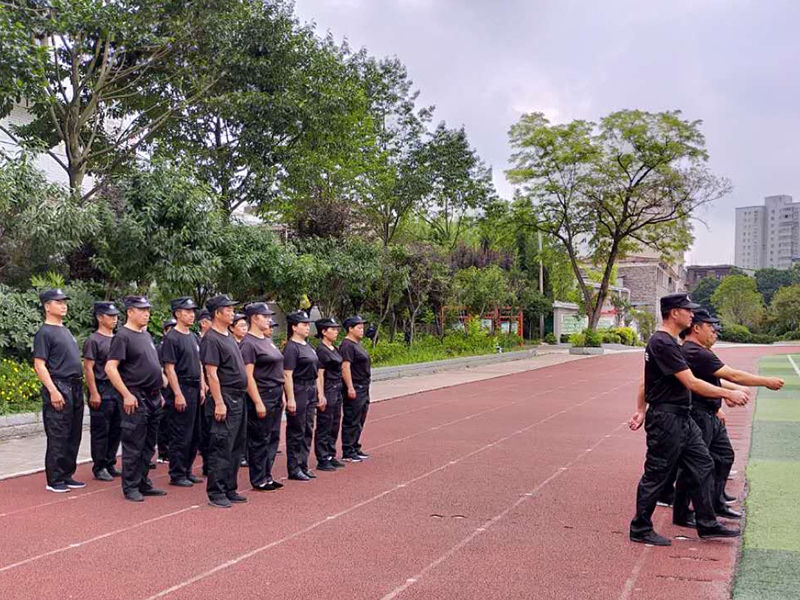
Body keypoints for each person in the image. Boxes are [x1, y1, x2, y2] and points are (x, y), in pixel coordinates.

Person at [628, 293, 748, 546]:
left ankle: (707, 523)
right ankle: (640, 527)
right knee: (657, 473)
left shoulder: (670, 342)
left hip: (682, 417)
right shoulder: (662, 343)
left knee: (704, 463)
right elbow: (692, 382)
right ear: (674, 313)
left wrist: (640, 409)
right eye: (687, 310)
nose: (692, 314)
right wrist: (728, 393)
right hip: (667, 418)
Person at [669, 309, 784, 523]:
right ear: (696, 328)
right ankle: (683, 512)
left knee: (723, 456)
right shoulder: (695, 352)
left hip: (710, 412)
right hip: (698, 414)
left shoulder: (699, 351)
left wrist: (725, 396)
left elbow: (716, 380)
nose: (715, 331)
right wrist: (765, 381)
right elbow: (732, 374)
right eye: (710, 327)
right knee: (693, 466)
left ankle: (715, 502)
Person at [105, 296, 168, 502]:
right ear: (130, 312)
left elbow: (152, 364)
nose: (147, 313)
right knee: (134, 444)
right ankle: (130, 486)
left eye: (148, 309)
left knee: (149, 444)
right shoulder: (123, 336)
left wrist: (159, 389)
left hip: (153, 397)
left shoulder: (146, 334)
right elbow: (110, 368)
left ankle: (143, 482)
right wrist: (126, 394)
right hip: (136, 396)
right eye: (142, 310)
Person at [33, 289, 85, 493]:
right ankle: (54, 479)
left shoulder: (65, 330)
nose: (64, 305)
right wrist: (53, 391)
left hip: (75, 387)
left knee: (74, 433)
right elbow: (39, 365)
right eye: (58, 302)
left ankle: (67, 474)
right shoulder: (44, 332)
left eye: (65, 302)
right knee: (58, 434)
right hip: (59, 385)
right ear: (47, 306)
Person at [200, 294, 248, 508]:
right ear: (217, 313)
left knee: (236, 446)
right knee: (221, 446)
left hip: (238, 396)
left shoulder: (228, 336)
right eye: (227, 309)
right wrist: (219, 402)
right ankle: (216, 492)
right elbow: (211, 373)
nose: (232, 312)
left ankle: (230, 487)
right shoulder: (211, 339)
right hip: (225, 396)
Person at [240, 303, 285, 491]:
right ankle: (258, 478)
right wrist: (257, 401)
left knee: (273, 437)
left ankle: (267, 475)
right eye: (265, 316)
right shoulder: (248, 343)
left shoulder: (266, 340)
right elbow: (248, 375)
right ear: (254, 318)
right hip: (262, 394)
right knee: (260, 438)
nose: (268, 319)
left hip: (275, 393)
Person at [161, 297, 206, 487]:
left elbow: (200, 364)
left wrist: (202, 385)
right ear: (177, 314)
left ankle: (187, 469)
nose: (191, 315)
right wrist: (177, 393)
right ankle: (177, 473)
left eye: (192, 311)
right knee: (181, 433)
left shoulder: (193, 336)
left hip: (196, 388)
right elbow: (169, 369)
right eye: (187, 312)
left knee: (195, 433)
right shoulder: (172, 338)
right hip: (182, 387)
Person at [83, 301, 122, 482]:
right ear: (100, 317)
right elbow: (88, 368)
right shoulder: (93, 340)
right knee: (101, 430)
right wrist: (94, 392)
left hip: (118, 389)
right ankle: (99, 466)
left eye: (116, 316)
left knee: (116, 429)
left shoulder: (118, 338)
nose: (115, 319)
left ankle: (110, 462)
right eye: (110, 316)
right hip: (102, 388)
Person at [283, 310, 322, 481]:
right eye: (304, 325)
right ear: (294, 327)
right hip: (298, 388)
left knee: (307, 428)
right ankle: (294, 467)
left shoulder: (308, 346)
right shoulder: (291, 347)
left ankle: (303, 464)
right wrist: (290, 397)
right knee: (296, 430)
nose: (307, 328)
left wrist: (318, 392)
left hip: (310, 388)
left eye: (308, 325)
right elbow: (287, 374)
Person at [314, 317, 345, 472]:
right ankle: (322, 457)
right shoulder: (321, 350)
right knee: (324, 424)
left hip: (337, 387)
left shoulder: (335, 348)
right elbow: (319, 373)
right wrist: (321, 394)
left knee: (334, 422)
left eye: (336, 329)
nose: (336, 332)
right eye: (332, 329)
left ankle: (331, 454)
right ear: (324, 332)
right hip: (328, 388)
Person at [340, 315, 372, 463]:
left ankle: (355, 446)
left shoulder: (357, 344)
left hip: (364, 385)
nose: (362, 330)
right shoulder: (347, 345)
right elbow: (345, 366)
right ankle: (348, 450)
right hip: (356, 386)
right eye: (359, 328)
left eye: (362, 327)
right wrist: (350, 387)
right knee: (352, 418)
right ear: (350, 329)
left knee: (360, 418)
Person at [156, 318, 177, 464]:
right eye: (170, 328)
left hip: (175, 387)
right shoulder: (160, 348)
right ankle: (163, 452)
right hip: (164, 387)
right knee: (163, 421)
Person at [196, 309, 213, 475]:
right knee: (203, 428)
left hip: (211, 387)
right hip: (202, 387)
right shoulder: (198, 339)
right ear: (203, 323)